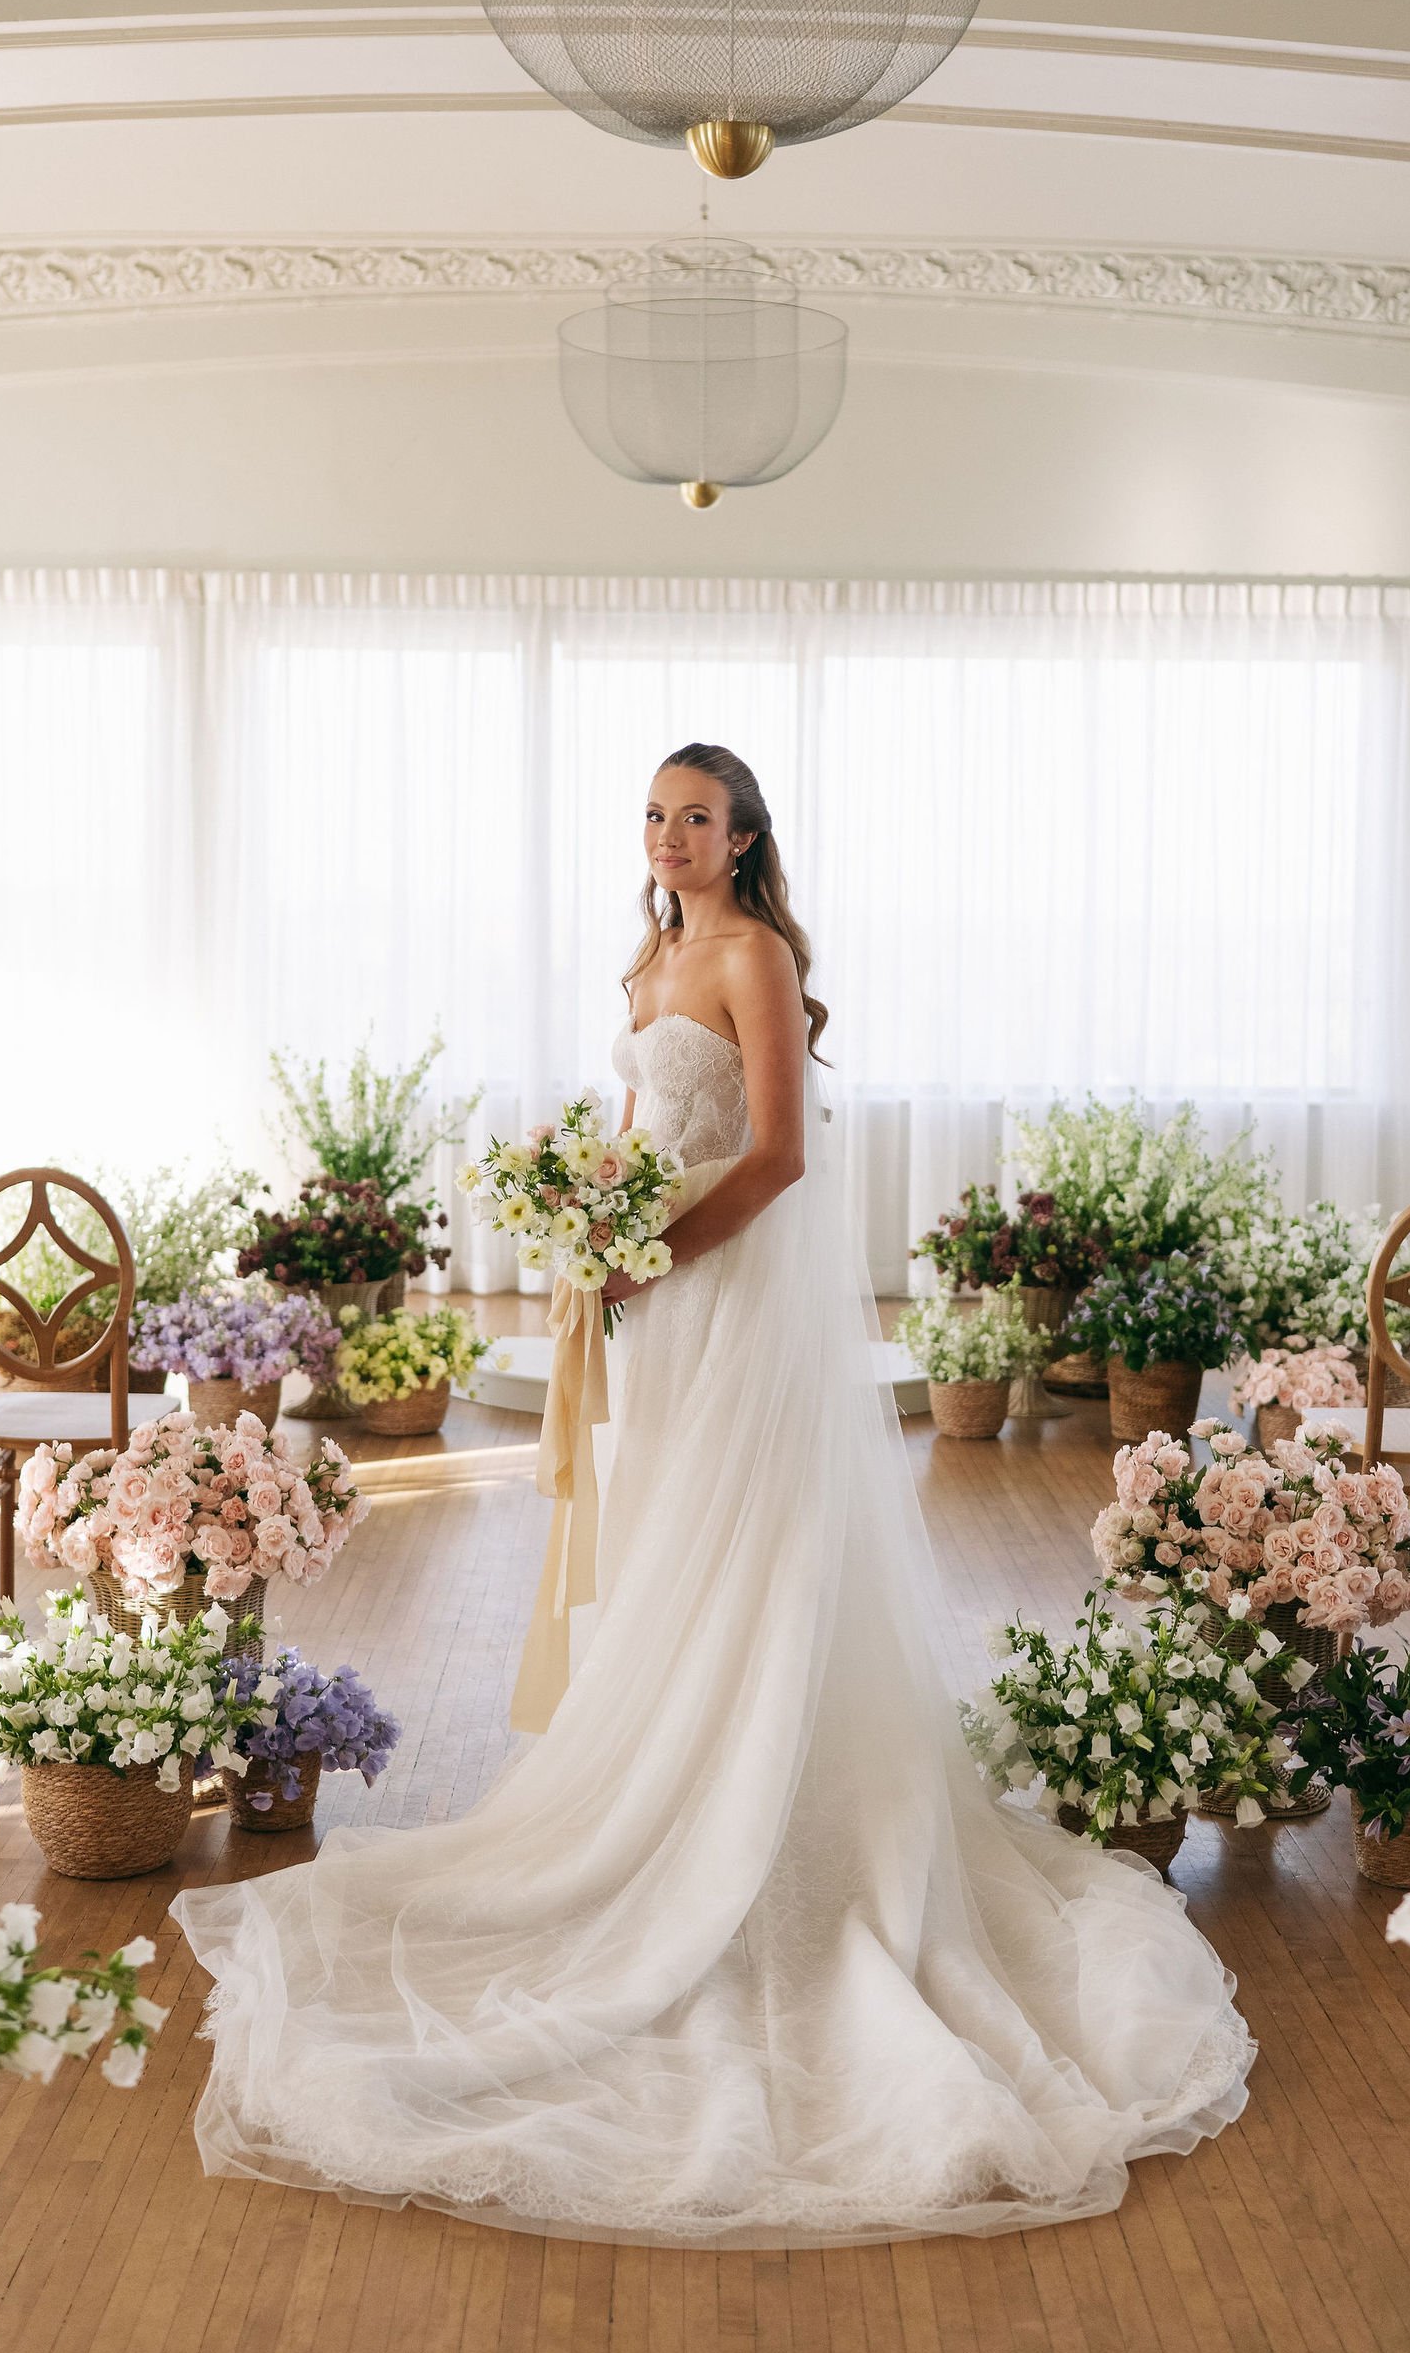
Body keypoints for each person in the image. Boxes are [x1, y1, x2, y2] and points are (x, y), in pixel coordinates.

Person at [174, 742, 1251, 2246]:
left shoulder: (751, 954)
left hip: (729, 1295)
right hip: (659, 1303)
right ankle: (669, 1768)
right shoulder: (651, 961)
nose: (673, 838)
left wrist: (651, 1250)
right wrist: (589, 1228)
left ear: (744, 841)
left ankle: (769, 1815)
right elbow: (642, 1140)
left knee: (756, 1541)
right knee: (674, 1536)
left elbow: (779, 1157)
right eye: (658, 817)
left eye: (700, 818)